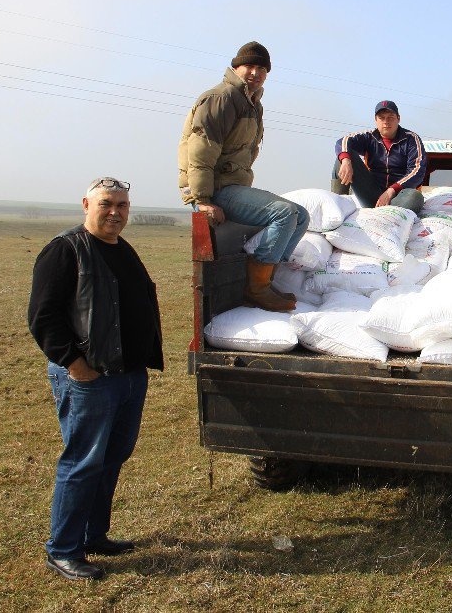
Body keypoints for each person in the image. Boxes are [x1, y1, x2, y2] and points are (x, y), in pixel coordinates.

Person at [28, 177, 164, 581]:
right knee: (83, 462)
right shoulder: (65, 250)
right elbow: (43, 316)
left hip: (127, 376)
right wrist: (74, 363)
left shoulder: (124, 250)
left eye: (122, 205)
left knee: (112, 457)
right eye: (107, 204)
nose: (115, 213)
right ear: (86, 203)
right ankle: (63, 550)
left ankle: (93, 535)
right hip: (90, 378)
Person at [177, 41, 308, 312]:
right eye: (249, 66)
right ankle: (256, 289)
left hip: (233, 184)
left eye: (262, 68)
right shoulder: (221, 98)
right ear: (236, 67)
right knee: (283, 213)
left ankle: (266, 279)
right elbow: (201, 150)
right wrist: (202, 199)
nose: (255, 73)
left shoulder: (252, 104)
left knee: (301, 215)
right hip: (215, 189)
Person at [332, 100, 426, 213]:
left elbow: (417, 170)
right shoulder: (369, 137)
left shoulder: (411, 139)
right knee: (344, 156)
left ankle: (390, 214)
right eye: (381, 118)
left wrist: (392, 190)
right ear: (376, 120)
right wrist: (346, 160)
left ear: (398, 118)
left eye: (390, 117)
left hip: (398, 197)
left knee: (415, 197)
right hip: (371, 194)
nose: (386, 122)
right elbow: (343, 141)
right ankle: (338, 205)